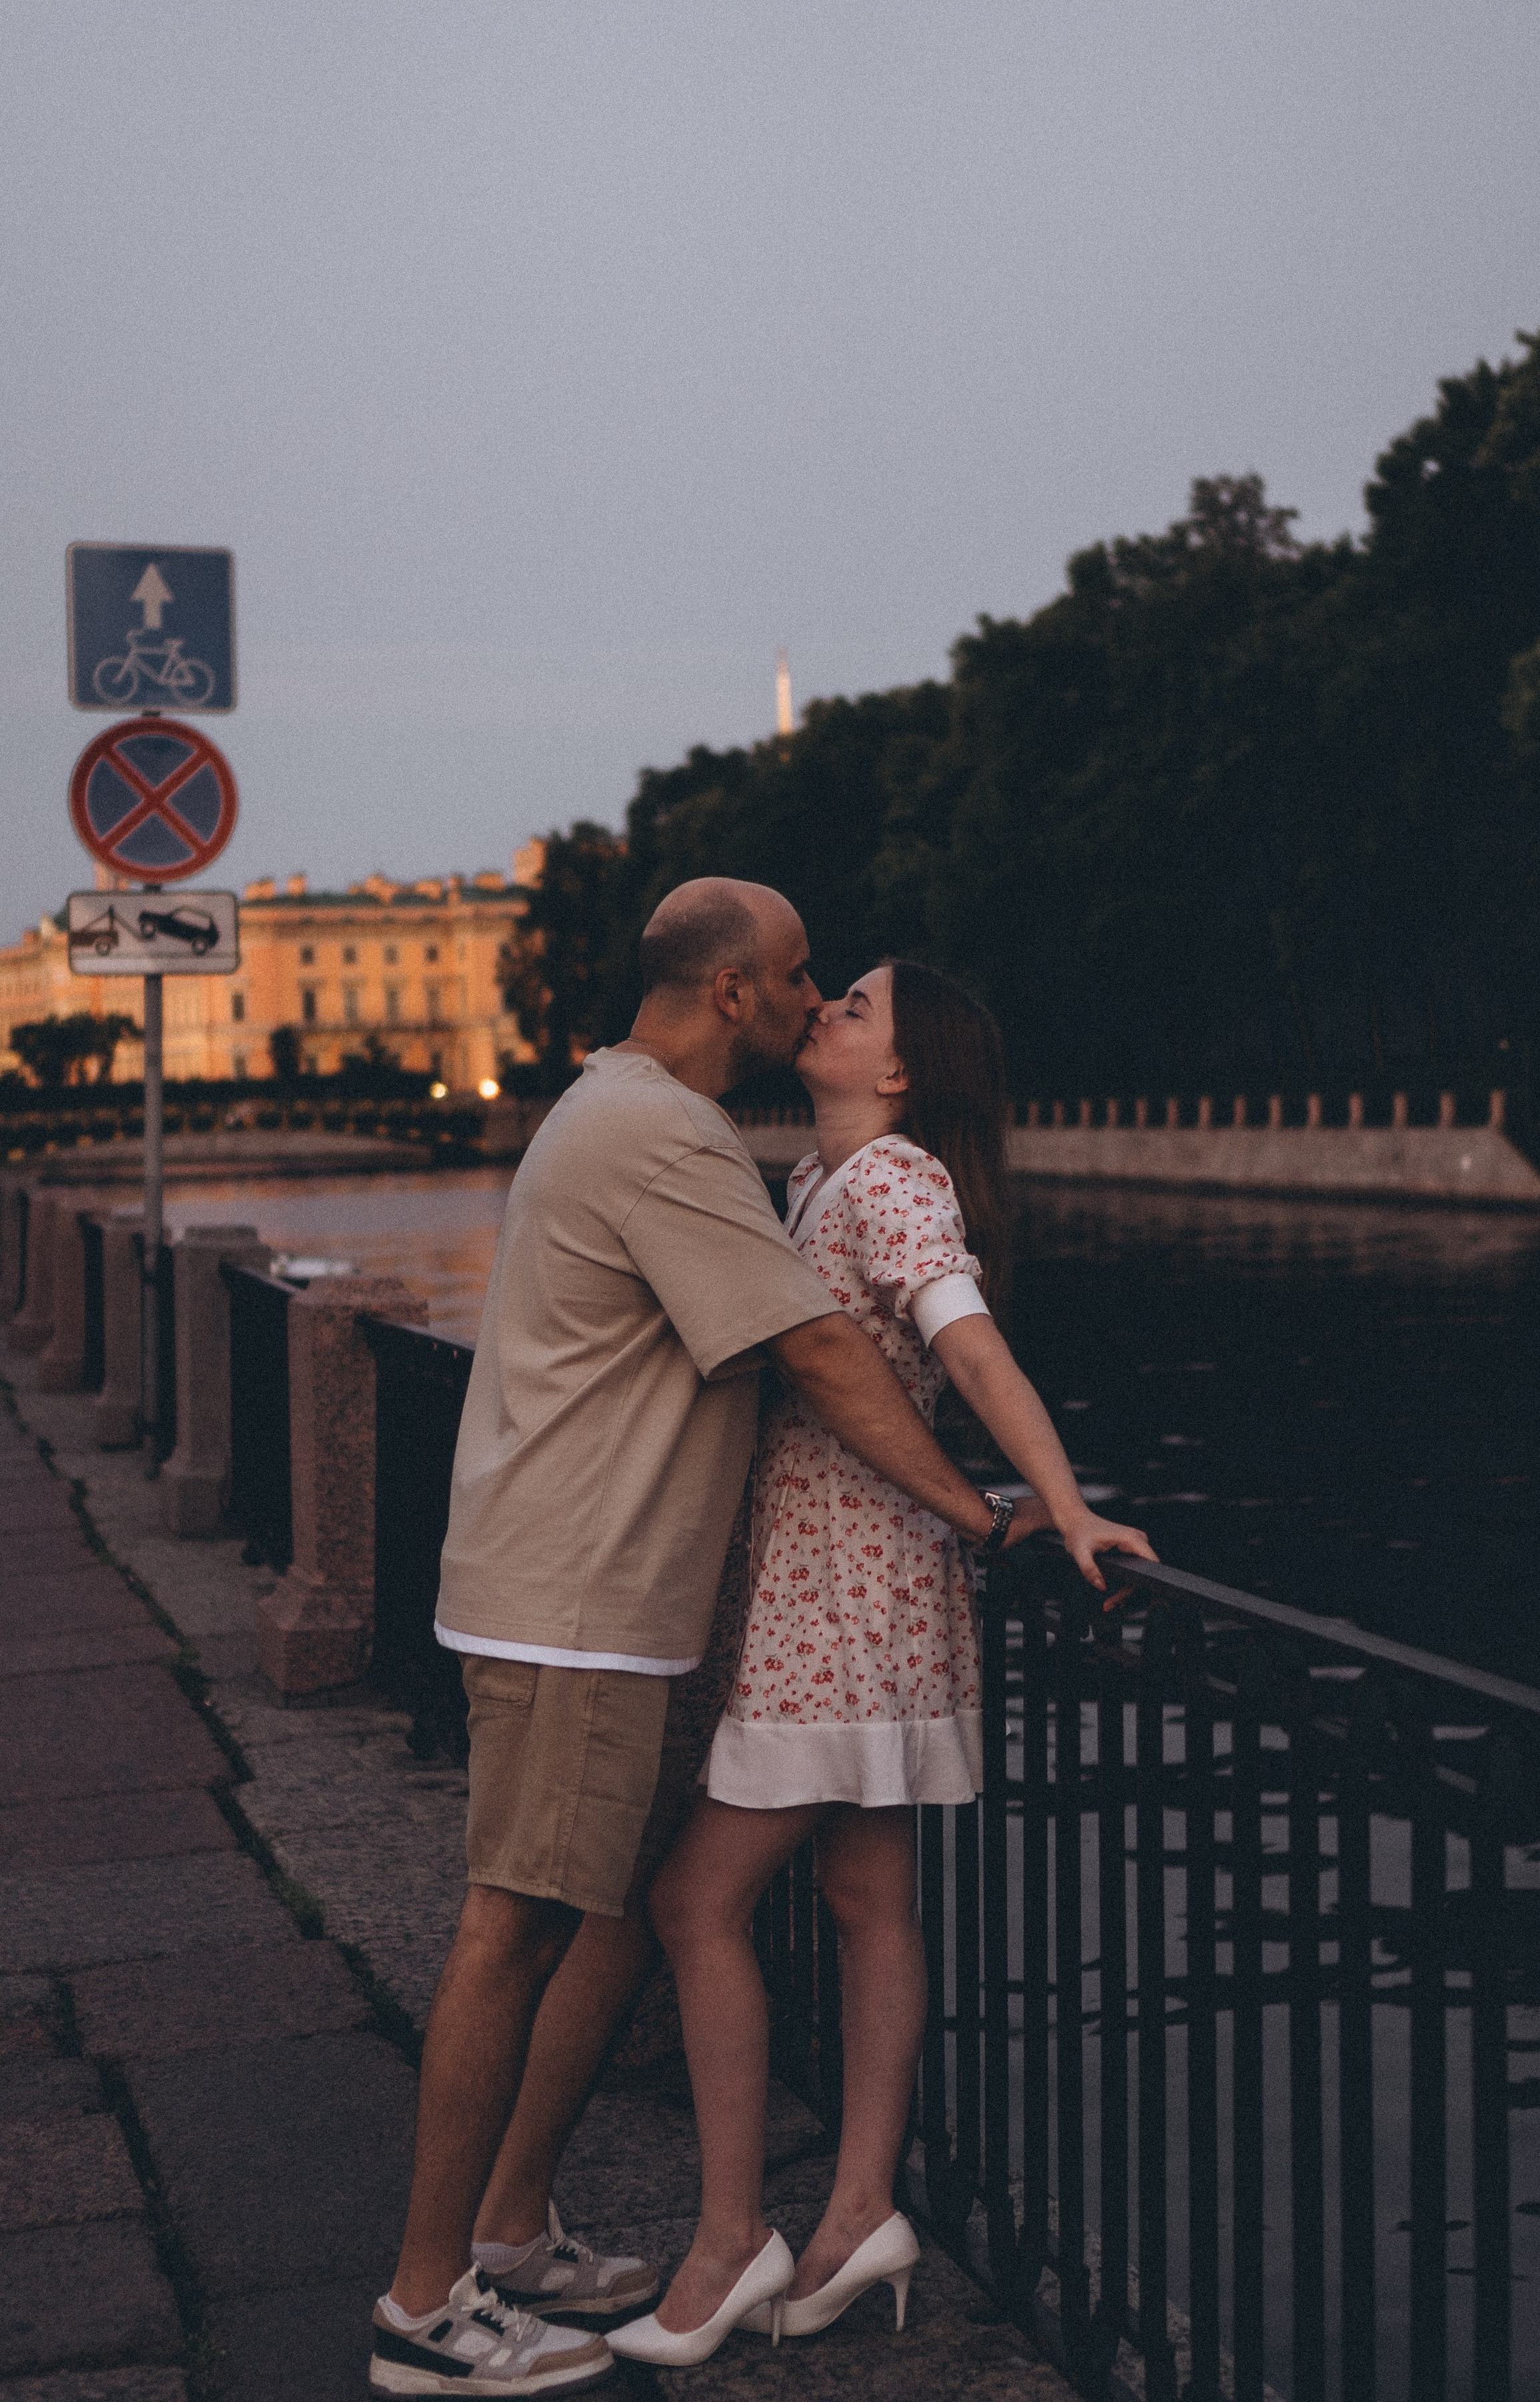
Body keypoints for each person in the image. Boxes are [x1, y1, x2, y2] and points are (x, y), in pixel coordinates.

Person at [371, 888, 1032, 2398]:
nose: (812, 999)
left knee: (613, 1914)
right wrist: (982, 1514)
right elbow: (817, 1349)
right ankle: (422, 2311)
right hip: (579, 1603)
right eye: (799, 978)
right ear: (734, 991)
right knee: (514, 1928)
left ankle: (513, 2229)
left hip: (619, 1597)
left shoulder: (639, 1112)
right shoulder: (666, 1136)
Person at [608, 960, 1157, 2369]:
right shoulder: (817, 1178)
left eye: (856, 1007)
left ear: (901, 1073)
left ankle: (731, 2239)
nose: (827, 1010)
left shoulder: (895, 1180)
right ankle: (858, 2214)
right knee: (867, 1900)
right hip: (852, 1584)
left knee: (693, 1899)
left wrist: (1066, 1503)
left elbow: (969, 1349)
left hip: (844, 1597)